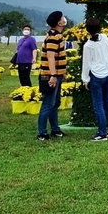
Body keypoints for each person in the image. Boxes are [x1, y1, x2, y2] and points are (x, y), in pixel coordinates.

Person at [82, 18, 108, 141]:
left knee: (98, 105)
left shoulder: (88, 45)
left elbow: (86, 63)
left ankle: (102, 133)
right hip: (107, 73)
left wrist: (85, 79)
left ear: (87, 30)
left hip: (96, 76)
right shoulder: (105, 38)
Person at [37, 11, 68, 141]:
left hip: (57, 75)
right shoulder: (52, 37)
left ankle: (55, 129)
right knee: (48, 103)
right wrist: (54, 75)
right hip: (49, 76)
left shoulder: (58, 36)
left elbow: (59, 56)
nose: (64, 19)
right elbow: (50, 56)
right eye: (62, 18)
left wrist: (62, 72)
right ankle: (42, 132)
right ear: (59, 22)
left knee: (55, 103)